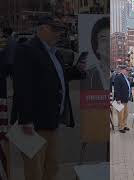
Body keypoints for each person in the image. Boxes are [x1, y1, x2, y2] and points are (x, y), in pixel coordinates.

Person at [12, 16, 86, 180]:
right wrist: (25, 120)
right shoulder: (27, 50)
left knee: (52, 167)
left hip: (52, 122)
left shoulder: (55, 53)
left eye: (60, 30)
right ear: (42, 29)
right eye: (55, 29)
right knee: (34, 171)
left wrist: (77, 71)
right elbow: (22, 87)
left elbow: (58, 76)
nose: (59, 34)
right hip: (34, 124)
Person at [80, 17, 108, 90]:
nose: (109, 44)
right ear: (96, 46)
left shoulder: (118, 74)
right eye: (104, 40)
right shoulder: (88, 76)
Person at [114, 65, 134, 133]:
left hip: (125, 99)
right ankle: (120, 127)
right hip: (120, 100)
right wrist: (118, 99)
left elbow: (128, 85)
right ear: (122, 70)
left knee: (126, 113)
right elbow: (117, 89)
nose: (128, 72)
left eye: (128, 71)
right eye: (126, 70)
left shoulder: (126, 77)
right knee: (120, 114)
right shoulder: (118, 77)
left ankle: (124, 125)